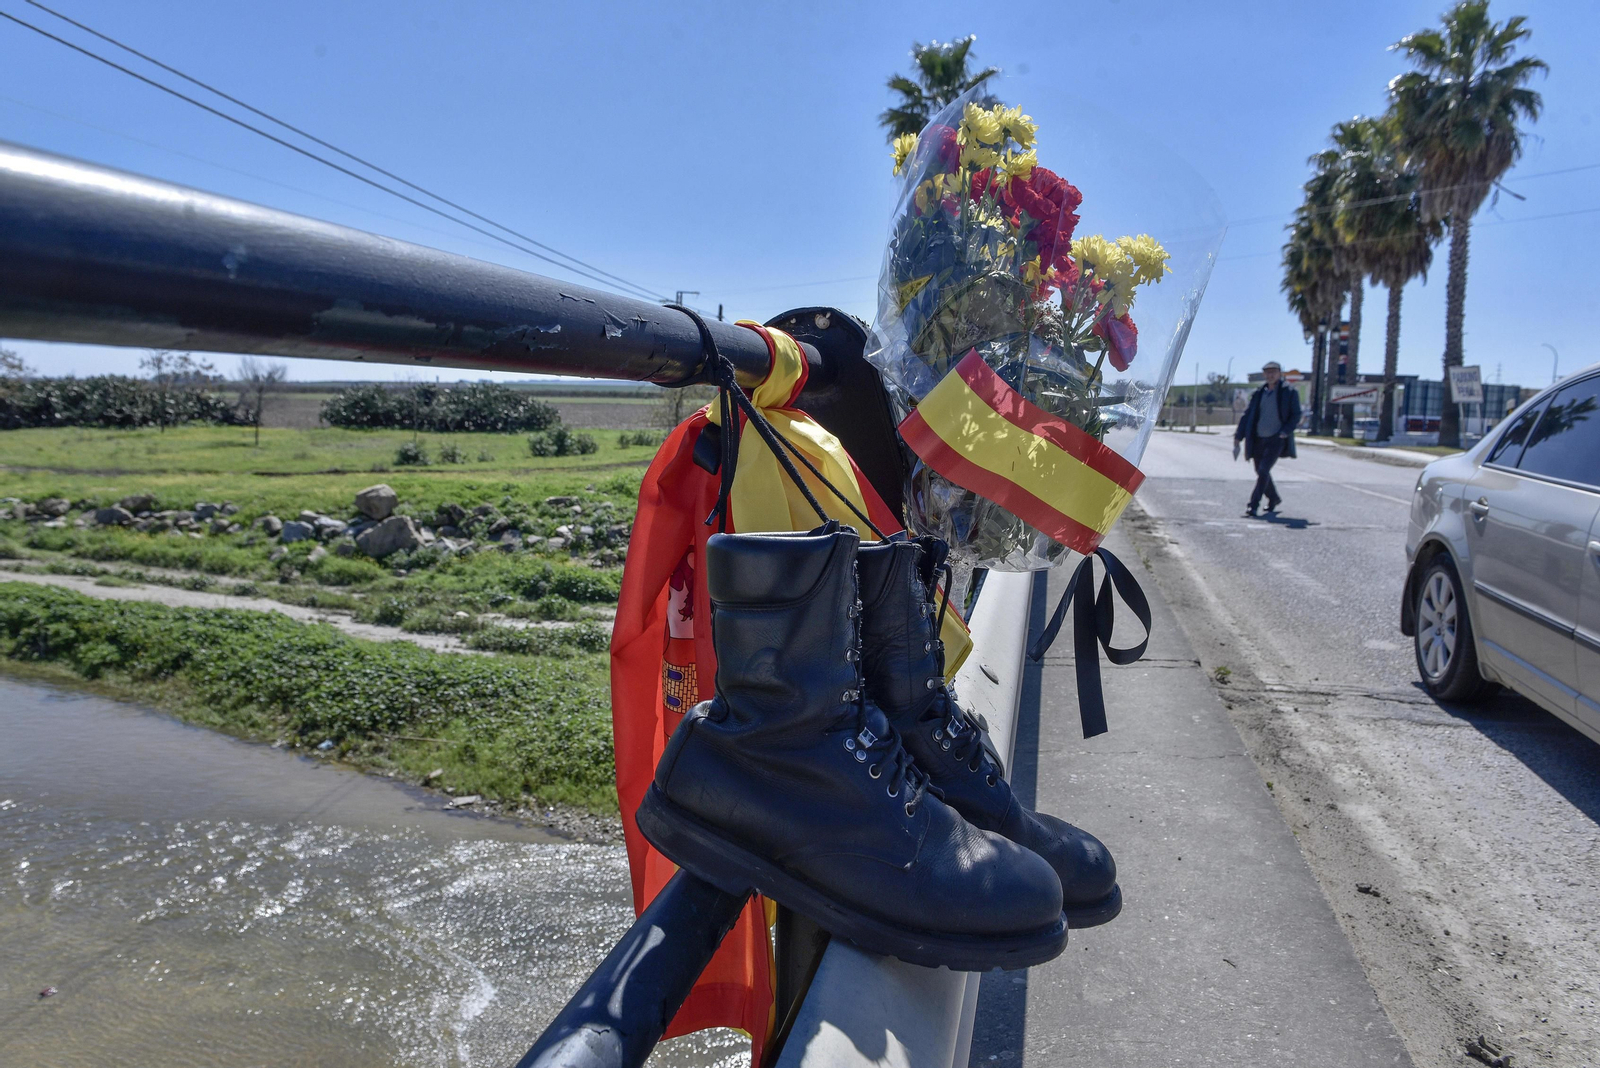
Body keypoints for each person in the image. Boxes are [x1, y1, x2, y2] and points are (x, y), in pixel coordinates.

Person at [1234, 361, 1301, 517]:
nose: (1270, 375)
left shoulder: (1289, 392)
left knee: (1264, 470)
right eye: (1267, 372)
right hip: (1258, 438)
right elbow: (1247, 416)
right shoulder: (1259, 394)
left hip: (1276, 438)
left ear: (1280, 374)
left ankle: (1253, 505)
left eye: (1274, 372)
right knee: (1260, 471)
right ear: (1264, 374)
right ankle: (1274, 498)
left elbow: (1296, 415)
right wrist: (1238, 436)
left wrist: (1285, 431)